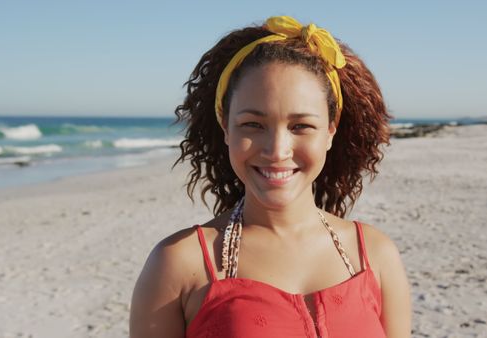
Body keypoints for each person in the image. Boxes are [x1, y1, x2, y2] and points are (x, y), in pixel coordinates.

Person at [130, 15, 411, 338]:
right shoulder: (178, 263)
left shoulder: (374, 254)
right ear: (226, 129)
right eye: (253, 124)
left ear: (330, 132)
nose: (277, 150)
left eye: (300, 126)